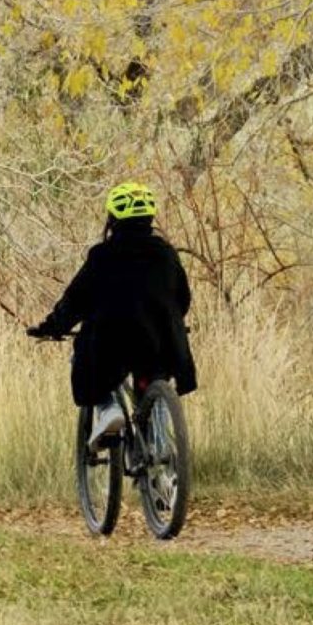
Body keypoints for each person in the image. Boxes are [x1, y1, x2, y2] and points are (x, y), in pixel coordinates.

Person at [26, 181, 198, 446]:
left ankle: (108, 409)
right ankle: (162, 450)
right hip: (157, 341)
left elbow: (75, 301)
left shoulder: (102, 256)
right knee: (155, 375)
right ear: (149, 217)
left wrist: (52, 326)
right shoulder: (166, 254)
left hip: (110, 343)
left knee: (88, 364)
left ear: (113, 218)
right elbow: (182, 299)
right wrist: (167, 320)